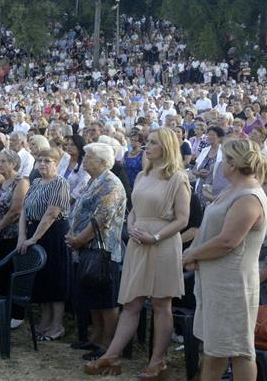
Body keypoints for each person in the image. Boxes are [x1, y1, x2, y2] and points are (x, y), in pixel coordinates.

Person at [86, 127, 190, 379]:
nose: (147, 147)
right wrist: (131, 225)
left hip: (161, 244)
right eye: (148, 142)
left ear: (166, 146)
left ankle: (158, 362)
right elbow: (134, 208)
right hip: (137, 242)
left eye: (153, 143)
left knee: (160, 304)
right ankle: (112, 355)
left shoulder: (178, 177)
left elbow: (182, 219)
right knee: (132, 302)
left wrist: (154, 237)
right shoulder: (144, 175)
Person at [181, 139, 267, 381]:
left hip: (233, 285)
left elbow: (228, 241)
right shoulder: (232, 190)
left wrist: (192, 253)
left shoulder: (249, 197)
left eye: (224, 158)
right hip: (217, 281)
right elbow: (212, 229)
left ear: (234, 163)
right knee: (216, 348)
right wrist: (197, 253)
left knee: (238, 350)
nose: (220, 163)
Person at [65, 143, 127, 360]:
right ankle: (96, 339)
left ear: (102, 162)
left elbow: (102, 218)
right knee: (93, 295)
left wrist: (79, 239)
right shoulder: (93, 181)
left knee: (106, 299)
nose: (84, 159)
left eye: (89, 156)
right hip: (86, 249)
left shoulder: (111, 183)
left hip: (103, 251)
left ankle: (109, 346)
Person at [17, 147, 71, 341]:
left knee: (55, 279)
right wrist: (22, 236)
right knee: (42, 279)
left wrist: (34, 238)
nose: (42, 164)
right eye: (39, 160)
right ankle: (45, 322)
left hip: (53, 234)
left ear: (56, 164)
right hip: (34, 233)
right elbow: (24, 209)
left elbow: (51, 214)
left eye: (47, 160)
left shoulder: (60, 183)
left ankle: (57, 325)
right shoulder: (36, 182)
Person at [0, 148, 29, 328]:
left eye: (3, 161)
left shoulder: (21, 182)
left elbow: (16, 210)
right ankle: (2, 310)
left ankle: (17, 313)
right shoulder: (1, 181)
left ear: (12, 163)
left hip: (11, 235)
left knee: (13, 273)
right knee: (1, 274)